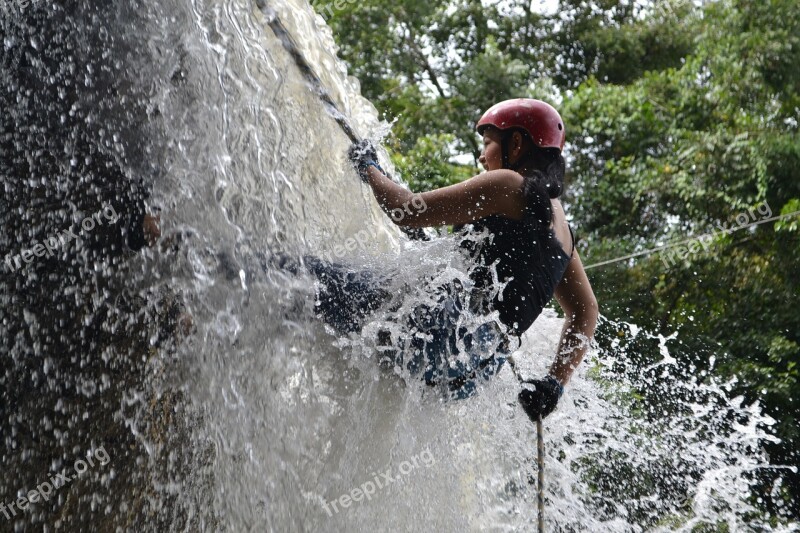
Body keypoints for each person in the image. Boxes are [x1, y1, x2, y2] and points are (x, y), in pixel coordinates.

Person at [345, 98, 598, 419]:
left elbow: (404, 209)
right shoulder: (563, 231)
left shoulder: (508, 184)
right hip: (469, 371)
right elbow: (586, 309)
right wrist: (553, 386)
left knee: (295, 280)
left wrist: (369, 167)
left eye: (489, 143)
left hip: (437, 331)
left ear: (516, 143)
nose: (482, 155)